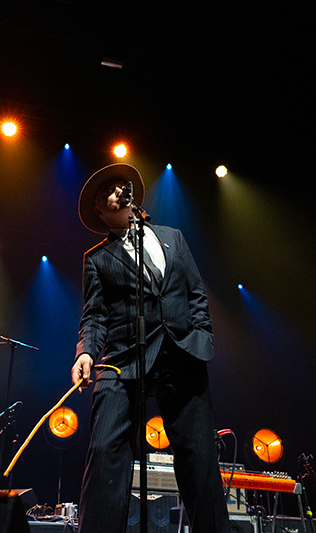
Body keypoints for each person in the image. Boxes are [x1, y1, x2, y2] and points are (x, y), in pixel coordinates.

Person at [71, 163, 230, 532]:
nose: (116, 191)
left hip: (183, 352)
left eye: (119, 185)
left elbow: (196, 294)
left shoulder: (173, 237)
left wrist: (201, 335)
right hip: (124, 359)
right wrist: (86, 352)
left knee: (200, 458)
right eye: (106, 191)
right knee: (105, 450)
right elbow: (94, 315)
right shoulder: (97, 258)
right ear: (99, 211)